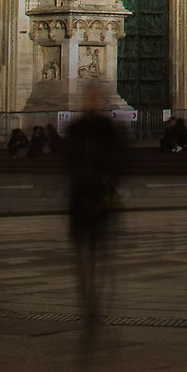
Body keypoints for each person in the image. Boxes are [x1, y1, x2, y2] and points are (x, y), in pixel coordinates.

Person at [58, 105, 128, 332]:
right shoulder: (78, 128)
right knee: (86, 251)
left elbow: (120, 160)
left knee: (96, 250)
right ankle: (90, 300)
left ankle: (93, 298)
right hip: (82, 197)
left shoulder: (106, 130)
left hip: (99, 196)